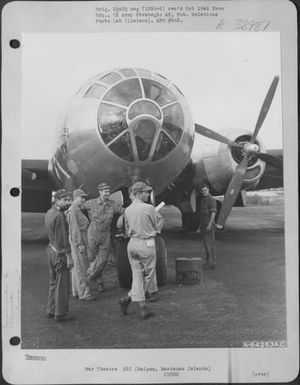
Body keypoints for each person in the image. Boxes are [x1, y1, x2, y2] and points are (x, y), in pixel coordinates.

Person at [119, 181, 164, 320]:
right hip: (147, 244)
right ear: (138, 194)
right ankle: (129, 299)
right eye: (145, 192)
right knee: (147, 277)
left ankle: (141, 306)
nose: (148, 194)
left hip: (132, 243)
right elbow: (156, 227)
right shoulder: (149, 208)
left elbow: (126, 229)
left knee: (137, 276)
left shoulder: (127, 210)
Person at [85, 183, 123, 291]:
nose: (107, 193)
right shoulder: (91, 203)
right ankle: (99, 281)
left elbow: (124, 211)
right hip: (93, 233)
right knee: (92, 259)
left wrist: (121, 217)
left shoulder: (113, 204)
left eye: (108, 191)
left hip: (105, 234)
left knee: (103, 260)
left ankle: (90, 276)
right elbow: (78, 207)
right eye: (105, 191)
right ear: (100, 192)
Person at [44, 189, 75, 322]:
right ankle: (60, 314)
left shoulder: (50, 212)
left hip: (50, 250)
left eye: (69, 200)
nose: (68, 202)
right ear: (57, 200)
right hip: (59, 254)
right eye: (65, 200)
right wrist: (69, 257)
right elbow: (63, 240)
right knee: (62, 285)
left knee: (53, 283)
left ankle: (51, 310)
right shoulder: (60, 216)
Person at [66, 189, 96, 301]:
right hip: (78, 239)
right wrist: (80, 244)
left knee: (77, 267)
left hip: (79, 238)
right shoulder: (73, 210)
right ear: (76, 197)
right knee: (82, 267)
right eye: (82, 197)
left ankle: (77, 291)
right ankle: (85, 293)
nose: (84, 200)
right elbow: (74, 229)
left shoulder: (77, 209)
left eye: (84, 197)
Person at [198, 184, 217, 269]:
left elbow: (213, 213)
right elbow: (202, 214)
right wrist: (199, 227)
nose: (204, 192)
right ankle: (208, 261)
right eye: (202, 191)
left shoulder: (211, 199)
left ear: (208, 190)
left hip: (208, 225)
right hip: (203, 224)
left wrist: (210, 224)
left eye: (205, 190)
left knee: (210, 244)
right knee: (206, 244)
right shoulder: (203, 200)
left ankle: (211, 263)